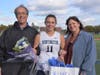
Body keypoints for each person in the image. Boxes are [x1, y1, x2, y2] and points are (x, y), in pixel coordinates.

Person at [0, 5, 38, 75]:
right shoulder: (7, 32)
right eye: (19, 13)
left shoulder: (34, 32)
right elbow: (1, 50)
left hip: (28, 69)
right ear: (16, 16)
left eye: (23, 13)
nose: (21, 15)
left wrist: (36, 51)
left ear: (27, 15)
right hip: (9, 69)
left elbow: (39, 48)